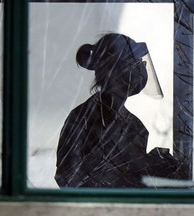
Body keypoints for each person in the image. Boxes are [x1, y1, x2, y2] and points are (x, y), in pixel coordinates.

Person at [55, 33, 179, 188]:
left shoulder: (135, 126)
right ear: (117, 70)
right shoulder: (83, 118)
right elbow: (67, 178)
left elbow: (134, 180)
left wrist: (155, 166)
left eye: (142, 63)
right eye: (136, 63)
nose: (142, 69)